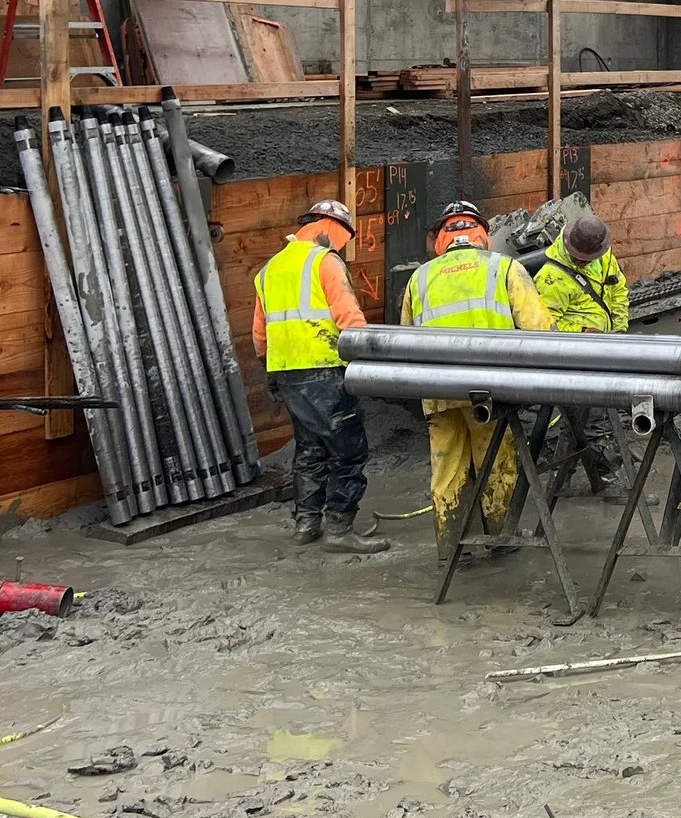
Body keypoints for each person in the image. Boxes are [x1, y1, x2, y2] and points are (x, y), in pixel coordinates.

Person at [402, 198, 551, 558]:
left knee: (446, 471)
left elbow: (404, 338)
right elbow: (540, 329)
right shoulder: (504, 268)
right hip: (489, 393)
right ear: (482, 235)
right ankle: (501, 538)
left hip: (437, 393)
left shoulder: (419, 278)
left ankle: (451, 547)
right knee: (496, 464)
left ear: (441, 240)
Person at [251, 199, 388, 553]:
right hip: (324, 371)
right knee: (348, 451)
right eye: (342, 240)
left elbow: (260, 333)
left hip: (286, 373)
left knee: (310, 448)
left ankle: (306, 524)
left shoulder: (269, 269)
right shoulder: (324, 262)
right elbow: (348, 316)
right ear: (330, 231)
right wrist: (367, 358)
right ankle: (340, 530)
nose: (341, 248)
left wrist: (270, 370)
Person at [535, 211, 630, 334]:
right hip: (573, 348)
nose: (581, 260)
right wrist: (582, 333)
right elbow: (543, 325)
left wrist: (619, 329)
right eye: (578, 255)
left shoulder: (605, 258)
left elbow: (618, 292)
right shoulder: (550, 278)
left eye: (587, 258)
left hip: (603, 342)